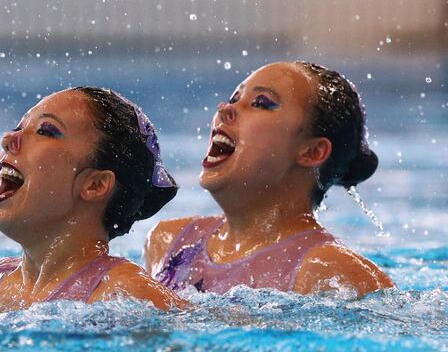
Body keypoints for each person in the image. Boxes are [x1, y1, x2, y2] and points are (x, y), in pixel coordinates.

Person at [145, 61, 394, 297]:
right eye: (234, 98)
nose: (225, 108)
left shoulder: (333, 272)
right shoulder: (169, 242)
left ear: (312, 152)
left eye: (260, 103)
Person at [0, 86, 188, 312]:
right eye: (19, 128)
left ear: (95, 185)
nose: (9, 139)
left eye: (45, 130)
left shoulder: (128, 295)